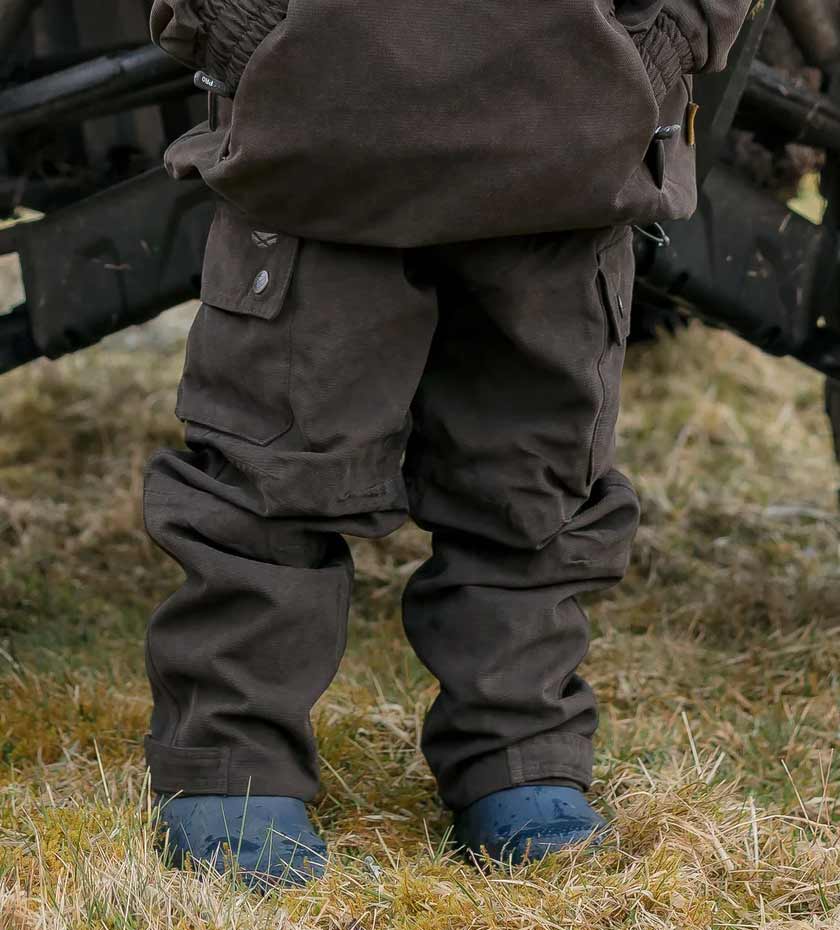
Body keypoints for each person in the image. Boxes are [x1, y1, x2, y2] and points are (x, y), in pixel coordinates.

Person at [144, 0, 754, 888]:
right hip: (317, 137)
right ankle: (232, 765)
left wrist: (664, 42)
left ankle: (518, 751)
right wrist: (238, 26)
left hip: (569, 142)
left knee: (532, 472)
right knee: (269, 469)